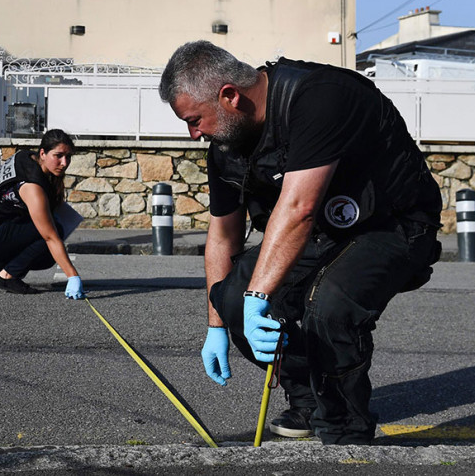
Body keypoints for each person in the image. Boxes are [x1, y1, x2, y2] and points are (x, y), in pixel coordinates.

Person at [158, 41, 441, 445]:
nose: (193, 133)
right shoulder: (227, 147)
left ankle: (345, 434)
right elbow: (222, 235)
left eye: (195, 119)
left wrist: (261, 295)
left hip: (392, 224)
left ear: (229, 96)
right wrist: (219, 322)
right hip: (320, 231)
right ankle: (308, 402)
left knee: (328, 306)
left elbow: (299, 208)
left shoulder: (319, 97)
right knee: (234, 297)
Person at [0, 129, 86, 298]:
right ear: (43, 153)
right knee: (52, 236)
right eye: (58, 156)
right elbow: (50, 237)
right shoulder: (32, 185)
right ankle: (7, 276)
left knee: (46, 245)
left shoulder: (26, 156)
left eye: (68, 157)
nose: (64, 163)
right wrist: (73, 276)